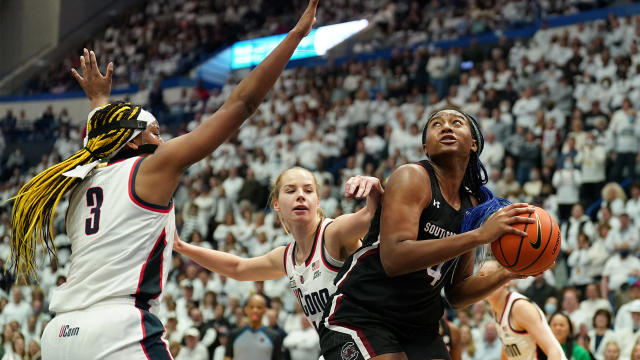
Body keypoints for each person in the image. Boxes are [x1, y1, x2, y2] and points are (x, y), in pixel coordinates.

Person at [8, 1, 320, 358]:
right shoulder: (151, 168)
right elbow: (241, 105)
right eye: (154, 131)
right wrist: (295, 37)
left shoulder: (80, 180)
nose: (162, 139)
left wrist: (98, 100)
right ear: (131, 139)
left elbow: (99, 143)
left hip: (59, 334)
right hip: (116, 331)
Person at [319, 109, 536, 359]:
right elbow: (394, 259)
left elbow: (457, 293)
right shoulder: (412, 177)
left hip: (418, 326)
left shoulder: (472, 206)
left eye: (456, 123)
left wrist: (509, 271)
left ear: (474, 144)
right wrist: (479, 236)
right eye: (436, 124)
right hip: (364, 312)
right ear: (425, 147)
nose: (446, 127)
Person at [174, 168, 382, 330]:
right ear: (276, 204)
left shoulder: (333, 233)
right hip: (336, 346)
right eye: (291, 190)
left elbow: (374, 214)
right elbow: (238, 268)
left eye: (308, 190)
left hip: (374, 339)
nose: (300, 195)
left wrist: (374, 190)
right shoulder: (287, 256)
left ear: (317, 201)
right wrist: (181, 246)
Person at [483, 260, 565, 360]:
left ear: (507, 281)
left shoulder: (520, 307)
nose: (485, 281)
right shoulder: (495, 308)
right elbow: (507, 348)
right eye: (482, 276)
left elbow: (553, 351)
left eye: (491, 275)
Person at [225, 294, 281, 360]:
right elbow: (228, 357)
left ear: (265, 310)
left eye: (259, 307)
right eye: (251, 307)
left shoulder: (274, 336)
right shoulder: (234, 334)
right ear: (246, 309)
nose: (255, 310)